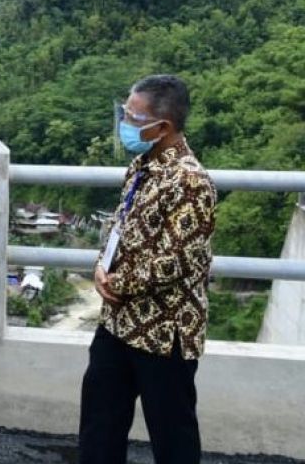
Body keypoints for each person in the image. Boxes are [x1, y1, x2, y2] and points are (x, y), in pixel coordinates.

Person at [79, 75, 216, 464]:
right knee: (98, 428)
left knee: (172, 436)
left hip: (164, 332)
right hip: (118, 322)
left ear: (163, 127)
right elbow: (118, 227)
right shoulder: (142, 166)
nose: (124, 122)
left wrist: (119, 280)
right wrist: (100, 268)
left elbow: (177, 260)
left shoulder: (190, 181)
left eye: (132, 117)